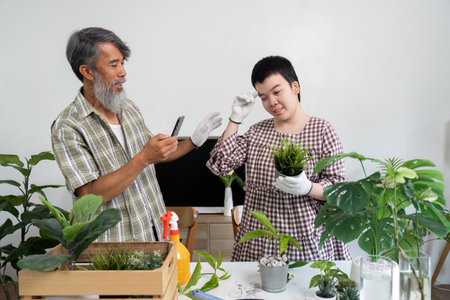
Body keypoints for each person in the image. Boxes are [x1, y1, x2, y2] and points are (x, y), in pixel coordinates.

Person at [52, 27, 222, 242]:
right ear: (87, 71)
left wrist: (193, 142)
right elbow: (90, 196)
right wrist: (144, 158)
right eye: (114, 65)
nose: (122, 72)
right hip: (115, 247)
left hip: (156, 233)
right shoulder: (68, 127)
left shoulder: (127, 107)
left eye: (122, 63)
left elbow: (156, 155)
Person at [207, 56, 350, 261]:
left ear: (294, 87)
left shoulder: (322, 130)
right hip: (258, 239)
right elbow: (220, 164)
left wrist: (308, 187)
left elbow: (339, 190)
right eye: (264, 97)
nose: (271, 102)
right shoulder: (257, 131)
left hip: (305, 240)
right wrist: (235, 119)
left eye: (277, 92)